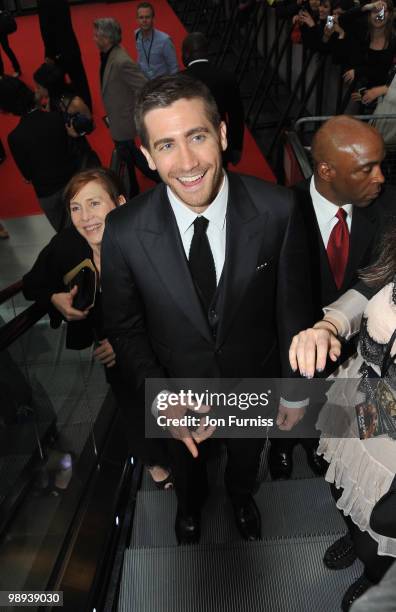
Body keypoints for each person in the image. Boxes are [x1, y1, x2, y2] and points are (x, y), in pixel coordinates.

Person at [101, 74, 312, 545]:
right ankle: (191, 508)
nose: (188, 162)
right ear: (148, 155)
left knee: (243, 463)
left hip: (251, 384)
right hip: (178, 391)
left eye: (197, 136)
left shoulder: (279, 209)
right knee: (188, 473)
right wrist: (161, 396)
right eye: (167, 145)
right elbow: (125, 326)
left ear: (221, 134)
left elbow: (290, 312)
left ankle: (240, 498)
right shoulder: (124, 230)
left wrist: (295, 393)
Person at [22, 168, 172, 488]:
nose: (85, 217)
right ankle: (154, 461)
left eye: (94, 204)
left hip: (157, 342)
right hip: (110, 350)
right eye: (75, 208)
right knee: (131, 401)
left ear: (119, 203)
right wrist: (55, 299)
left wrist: (127, 341)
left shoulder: (147, 239)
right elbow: (32, 283)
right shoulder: (67, 245)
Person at [269, 116, 391, 479]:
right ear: (326, 170)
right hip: (289, 349)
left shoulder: (387, 210)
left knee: (328, 415)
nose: (380, 178)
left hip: (350, 357)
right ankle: (280, 447)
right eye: (367, 169)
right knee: (286, 416)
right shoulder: (277, 212)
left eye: (381, 165)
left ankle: (316, 445)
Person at [289, 233, 396, 610]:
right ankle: (353, 535)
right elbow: (371, 285)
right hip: (362, 392)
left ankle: (372, 575)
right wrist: (328, 326)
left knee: (379, 523)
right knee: (342, 478)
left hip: (393, 438)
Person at [93, 17, 159, 198]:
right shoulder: (109, 54)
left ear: (106, 38)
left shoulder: (121, 61)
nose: (94, 38)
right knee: (127, 158)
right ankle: (134, 189)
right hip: (119, 122)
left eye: (97, 35)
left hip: (125, 124)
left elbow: (145, 88)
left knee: (137, 160)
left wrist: (133, 113)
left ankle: (162, 182)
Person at [0, 76, 75, 232]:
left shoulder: (15, 137)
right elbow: (69, 148)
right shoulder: (55, 117)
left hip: (48, 193)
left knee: (65, 234)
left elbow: (27, 175)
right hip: (72, 181)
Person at [181, 32, 244, 167]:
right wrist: (236, 147)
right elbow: (236, 116)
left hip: (188, 145)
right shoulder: (226, 77)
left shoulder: (178, 81)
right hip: (219, 143)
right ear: (207, 52)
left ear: (186, 54)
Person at [33, 62, 100, 171]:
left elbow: (92, 126)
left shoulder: (75, 103)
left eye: (38, 87)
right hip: (59, 153)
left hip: (77, 153)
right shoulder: (51, 98)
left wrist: (76, 133)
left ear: (49, 87)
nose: (36, 90)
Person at [37, 0, 92, 111]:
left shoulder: (43, 2)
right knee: (80, 80)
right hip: (71, 45)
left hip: (57, 51)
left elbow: (46, 29)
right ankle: (87, 108)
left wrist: (49, 54)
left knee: (56, 84)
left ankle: (59, 111)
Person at [135, 2, 178, 79]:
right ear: (137, 19)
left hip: (161, 84)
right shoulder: (137, 35)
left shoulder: (165, 40)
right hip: (145, 82)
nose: (144, 20)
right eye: (141, 17)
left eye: (147, 17)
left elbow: (173, 67)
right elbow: (140, 57)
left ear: (153, 19)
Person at [0, 0, 21, 77]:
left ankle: (17, 69)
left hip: (1, 26)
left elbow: (2, 8)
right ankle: (1, 73)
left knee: (6, 48)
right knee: (6, 48)